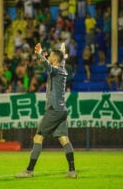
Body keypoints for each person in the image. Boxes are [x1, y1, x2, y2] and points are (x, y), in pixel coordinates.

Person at [15, 43, 77, 179]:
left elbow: (48, 67)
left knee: (38, 137)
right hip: (62, 110)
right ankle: (72, 171)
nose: (48, 57)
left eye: (51, 57)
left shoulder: (55, 69)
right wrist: (62, 53)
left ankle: (29, 171)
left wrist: (40, 54)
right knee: (63, 138)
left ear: (55, 60)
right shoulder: (63, 69)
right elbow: (60, 60)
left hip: (53, 109)